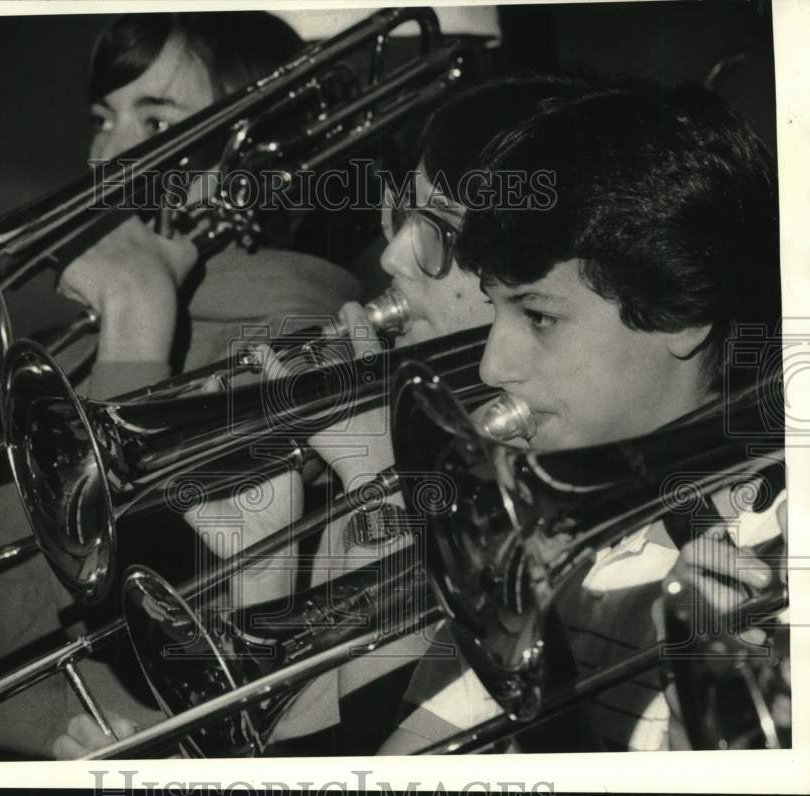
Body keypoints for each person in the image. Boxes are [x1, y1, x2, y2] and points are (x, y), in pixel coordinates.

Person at [0, 10, 363, 760]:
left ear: (261, 161)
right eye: (104, 117)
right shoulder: (62, 348)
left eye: (159, 120)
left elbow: (162, 654)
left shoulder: (299, 350)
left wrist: (135, 319)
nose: (110, 155)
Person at [49, 74, 594, 758]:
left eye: (442, 234)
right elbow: (312, 746)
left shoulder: (530, 516)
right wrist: (264, 576)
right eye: (402, 215)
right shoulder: (387, 431)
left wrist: (373, 491)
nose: (394, 253)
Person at [381, 79, 784, 752]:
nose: (488, 367)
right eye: (497, 307)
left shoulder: (776, 539)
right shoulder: (544, 539)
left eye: (538, 316)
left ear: (679, 317)